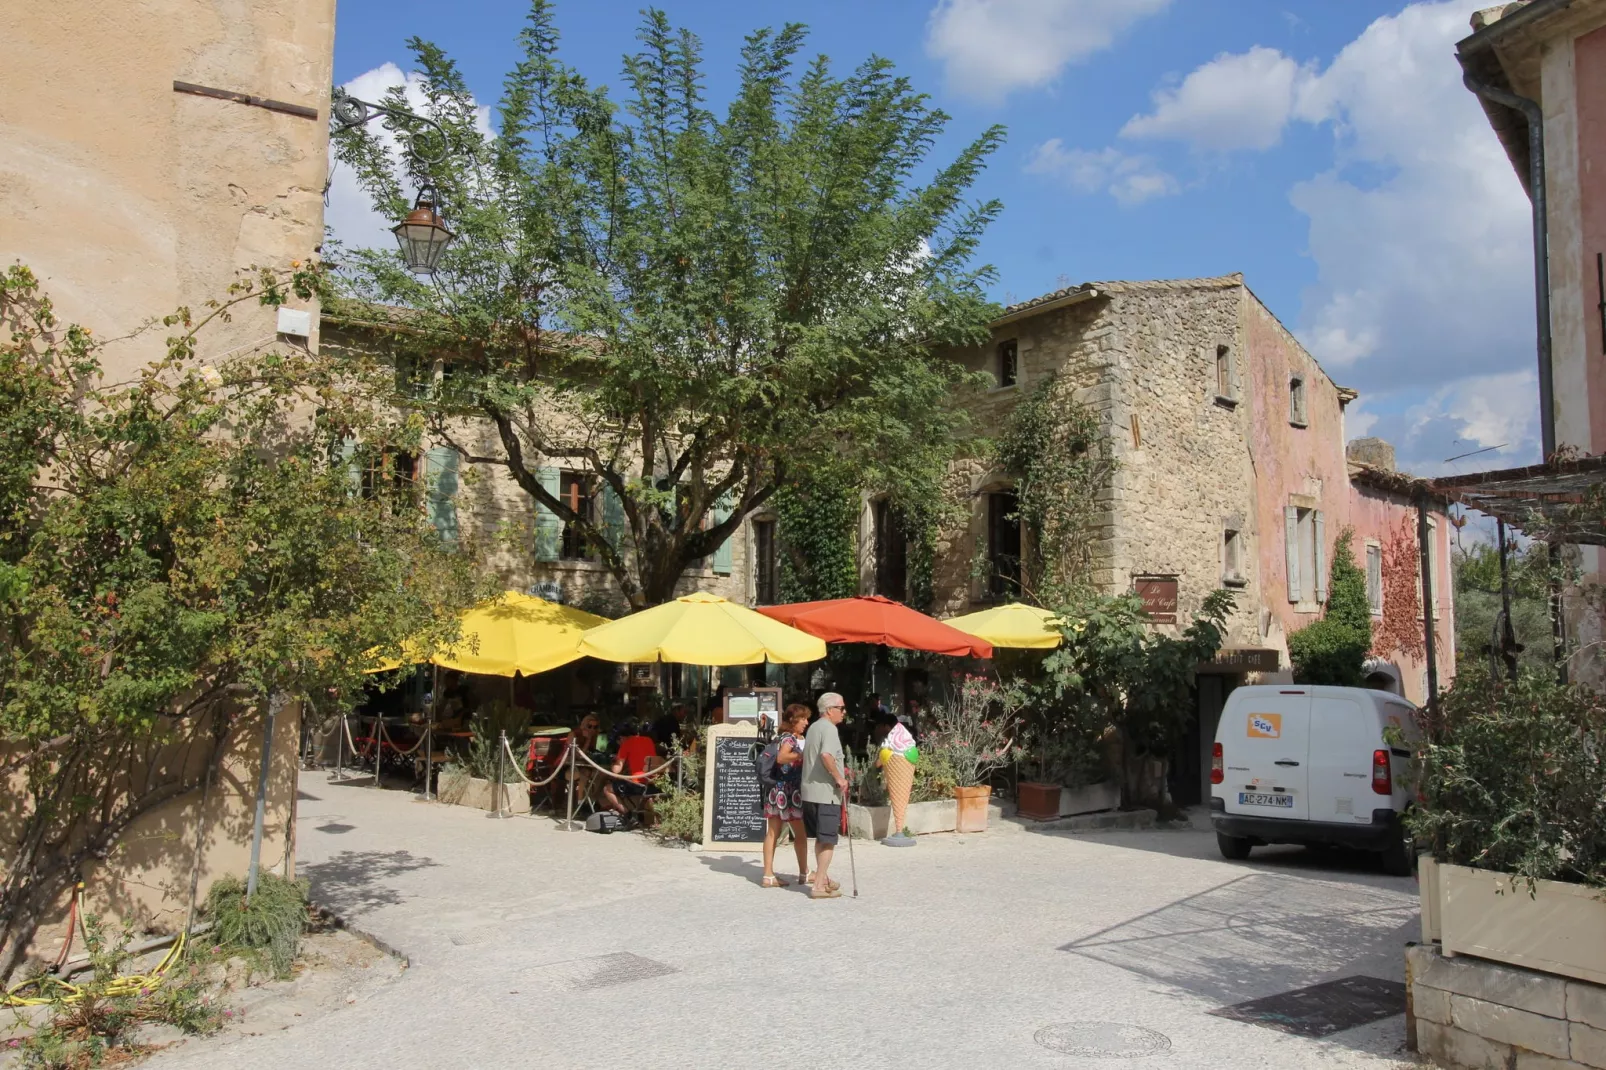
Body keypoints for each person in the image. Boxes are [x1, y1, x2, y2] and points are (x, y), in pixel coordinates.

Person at [800, 692, 850, 900]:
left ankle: (824, 877)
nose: (844, 713)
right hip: (825, 793)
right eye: (842, 708)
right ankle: (819, 885)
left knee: (821, 838)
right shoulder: (829, 729)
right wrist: (839, 778)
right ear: (830, 710)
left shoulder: (814, 727)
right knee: (828, 840)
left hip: (810, 792)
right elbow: (826, 755)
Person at [760, 705, 812, 888]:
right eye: (803, 719)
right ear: (794, 720)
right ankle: (804, 872)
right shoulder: (790, 739)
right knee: (800, 834)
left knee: (772, 833)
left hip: (776, 791)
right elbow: (782, 758)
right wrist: (800, 754)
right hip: (788, 792)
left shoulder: (780, 737)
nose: (806, 722)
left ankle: (768, 875)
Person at [603, 722, 660, 818]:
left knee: (607, 789)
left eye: (618, 741)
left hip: (638, 784)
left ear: (622, 738)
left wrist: (614, 761)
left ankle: (627, 814)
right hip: (652, 783)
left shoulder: (626, 744)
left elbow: (616, 770)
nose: (619, 743)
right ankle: (638, 814)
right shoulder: (648, 740)